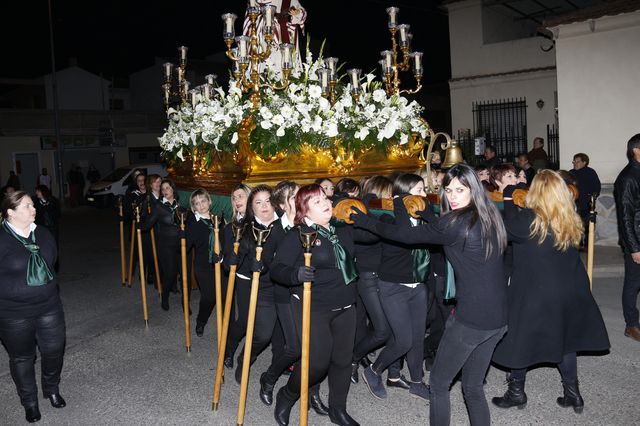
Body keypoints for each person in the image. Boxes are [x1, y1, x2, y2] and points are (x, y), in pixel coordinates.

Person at [351, 163, 508, 426]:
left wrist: (364, 219)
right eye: (448, 190)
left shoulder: (455, 223)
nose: (453, 196)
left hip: (471, 320)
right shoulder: (488, 215)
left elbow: (402, 234)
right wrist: (427, 215)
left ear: (474, 189)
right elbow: (445, 232)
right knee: (472, 387)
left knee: (438, 384)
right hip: (498, 318)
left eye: (460, 189)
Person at [491, 170, 610, 413]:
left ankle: (516, 393)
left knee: (519, 339)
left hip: (536, 293)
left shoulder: (527, 220)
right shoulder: (569, 216)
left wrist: (507, 193)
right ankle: (573, 394)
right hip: (569, 290)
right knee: (565, 342)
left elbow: (504, 225)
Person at [271, 183, 374, 426]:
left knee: (342, 361)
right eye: (316, 201)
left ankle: (338, 410)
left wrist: (366, 215)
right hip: (314, 307)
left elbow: (373, 235)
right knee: (316, 364)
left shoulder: (343, 230)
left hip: (346, 306)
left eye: (324, 198)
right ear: (304, 212)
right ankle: (287, 395)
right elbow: (277, 269)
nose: (326, 202)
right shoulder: (298, 235)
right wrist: (295, 275)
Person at [257, 181, 329, 417]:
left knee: (315, 348)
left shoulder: (314, 223)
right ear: (281, 204)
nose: (299, 197)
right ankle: (269, 377)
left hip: (313, 293)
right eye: (293, 195)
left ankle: (313, 394)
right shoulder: (277, 229)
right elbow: (268, 259)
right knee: (296, 347)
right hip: (285, 294)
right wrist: (261, 263)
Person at [360, 174, 430, 401]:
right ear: (405, 194)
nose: (425, 195)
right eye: (420, 190)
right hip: (393, 287)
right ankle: (373, 370)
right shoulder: (390, 218)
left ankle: (417, 382)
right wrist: (400, 203)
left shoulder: (424, 216)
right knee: (404, 340)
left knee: (417, 338)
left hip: (418, 285)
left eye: (424, 189)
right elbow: (405, 235)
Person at [0, 191, 66, 423]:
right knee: (22, 358)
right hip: (13, 313)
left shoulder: (43, 233)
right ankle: (29, 402)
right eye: (27, 206)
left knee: (54, 350)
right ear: (11, 212)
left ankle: (51, 389)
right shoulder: (2, 239)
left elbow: (53, 259)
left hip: (49, 306)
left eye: (32, 205)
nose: (33, 208)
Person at [140, 178, 184, 310]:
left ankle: (185, 302)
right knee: (170, 273)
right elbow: (147, 225)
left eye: (167, 188)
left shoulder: (180, 205)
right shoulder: (159, 207)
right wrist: (138, 221)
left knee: (183, 273)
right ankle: (164, 297)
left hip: (180, 244)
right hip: (165, 246)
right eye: (163, 188)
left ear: (173, 189)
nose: (165, 191)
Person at [613, 133, 640, 342]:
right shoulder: (628, 177)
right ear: (636, 151)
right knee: (633, 283)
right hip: (637, 240)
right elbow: (626, 216)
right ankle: (631, 325)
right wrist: (634, 248)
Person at [185, 189, 222, 337]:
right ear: (194, 207)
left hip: (220, 264)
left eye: (203, 201)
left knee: (224, 296)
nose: (201, 205)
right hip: (203, 266)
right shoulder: (193, 224)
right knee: (209, 297)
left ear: (209, 201)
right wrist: (182, 236)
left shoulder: (218, 219)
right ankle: (201, 321)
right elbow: (186, 246)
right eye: (197, 203)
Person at [570, 153, 601, 247]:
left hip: (587, 204)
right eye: (574, 161)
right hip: (574, 205)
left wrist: (591, 198)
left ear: (584, 162)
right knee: (575, 226)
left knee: (588, 226)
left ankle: (588, 245)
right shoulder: (570, 173)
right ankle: (577, 244)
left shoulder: (590, 172)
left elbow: (596, 187)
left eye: (577, 161)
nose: (575, 163)